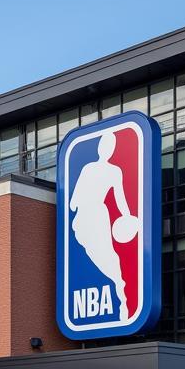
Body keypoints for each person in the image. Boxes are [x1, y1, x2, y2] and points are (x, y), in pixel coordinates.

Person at [70, 130, 132, 321]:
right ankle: (119, 287)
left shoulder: (95, 169)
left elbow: (73, 202)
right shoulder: (105, 170)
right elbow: (73, 202)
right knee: (104, 256)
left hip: (93, 216)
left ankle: (121, 295)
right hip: (91, 217)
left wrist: (129, 217)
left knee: (108, 256)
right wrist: (128, 216)